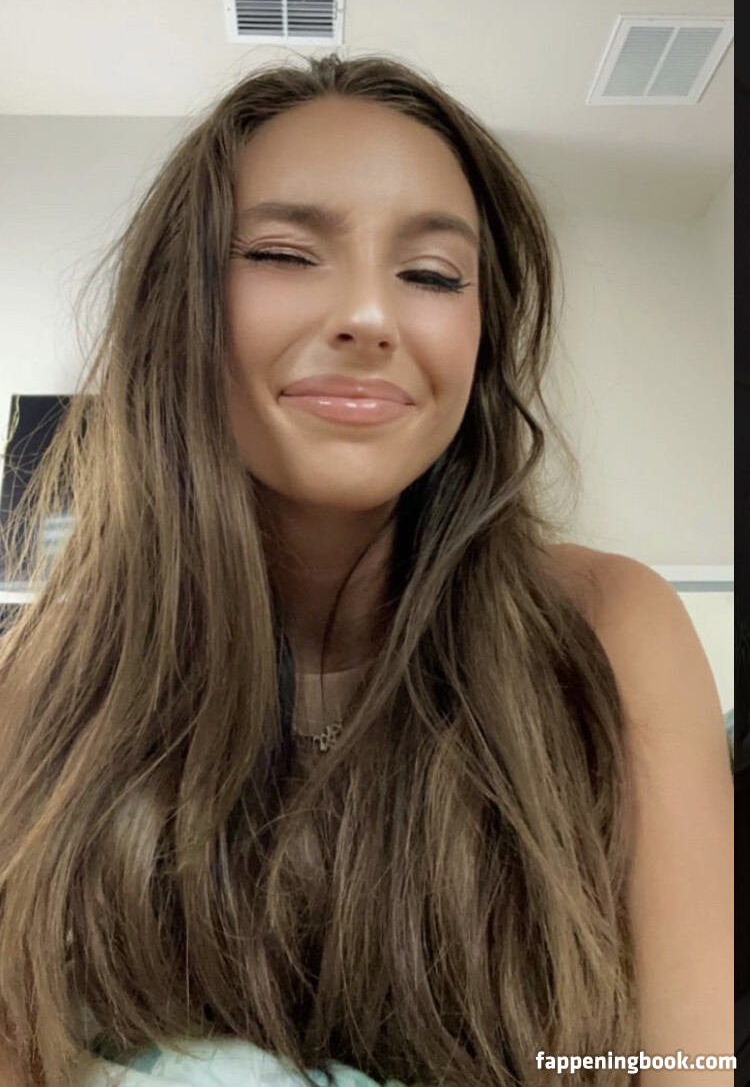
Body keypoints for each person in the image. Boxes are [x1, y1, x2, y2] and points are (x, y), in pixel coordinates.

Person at [0, 53, 732, 1087]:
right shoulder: (43, 690)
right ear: (180, 306)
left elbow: (688, 1060)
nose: (371, 316)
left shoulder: (611, 628)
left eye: (430, 274)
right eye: (283, 253)